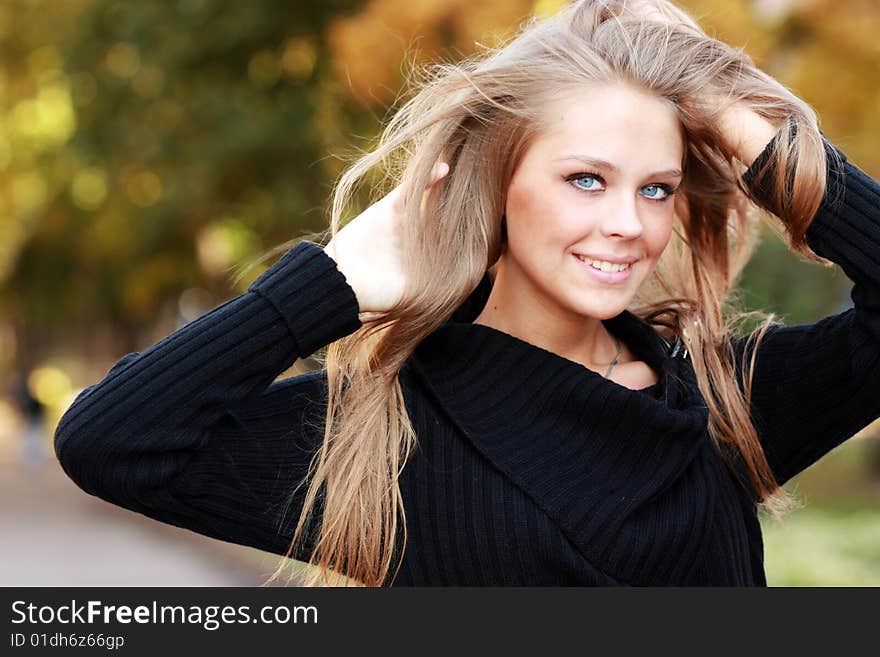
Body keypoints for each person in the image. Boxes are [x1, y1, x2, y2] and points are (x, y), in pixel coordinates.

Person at [53, 0, 880, 587]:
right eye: (586, 179)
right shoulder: (380, 432)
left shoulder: (726, 403)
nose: (628, 222)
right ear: (494, 186)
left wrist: (761, 140)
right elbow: (111, 441)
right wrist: (329, 283)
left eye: (657, 188)